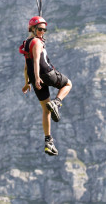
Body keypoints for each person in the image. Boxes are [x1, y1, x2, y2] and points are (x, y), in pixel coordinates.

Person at [19, 16, 73, 156]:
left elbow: (26, 66)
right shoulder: (37, 42)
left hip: (35, 78)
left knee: (45, 109)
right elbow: (36, 60)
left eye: (44, 30)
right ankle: (57, 102)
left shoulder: (27, 43)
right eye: (40, 29)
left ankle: (48, 142)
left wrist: (27, 82)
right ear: (33, 29)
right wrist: (37, 78)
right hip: (46, 73)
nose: (43, 32)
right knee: (68, 84)